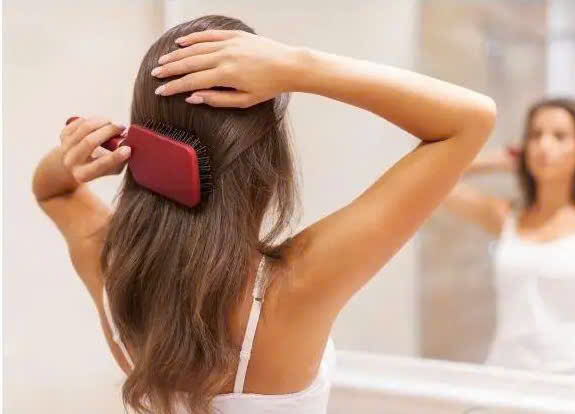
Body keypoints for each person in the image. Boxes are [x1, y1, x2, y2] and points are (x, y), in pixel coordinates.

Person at [32, 15, 496, 414]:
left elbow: (52, 191)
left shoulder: (112, 269)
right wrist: (299, 66)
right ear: (265, 155)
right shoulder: (294, 287)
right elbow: (469, 120)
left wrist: (70, 159)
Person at [443, 97, 575, 378]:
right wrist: (498, 160)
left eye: (560, 136)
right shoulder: (506, 217)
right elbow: (431, 182)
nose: (544, 145)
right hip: (504, 377)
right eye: (535, 135)